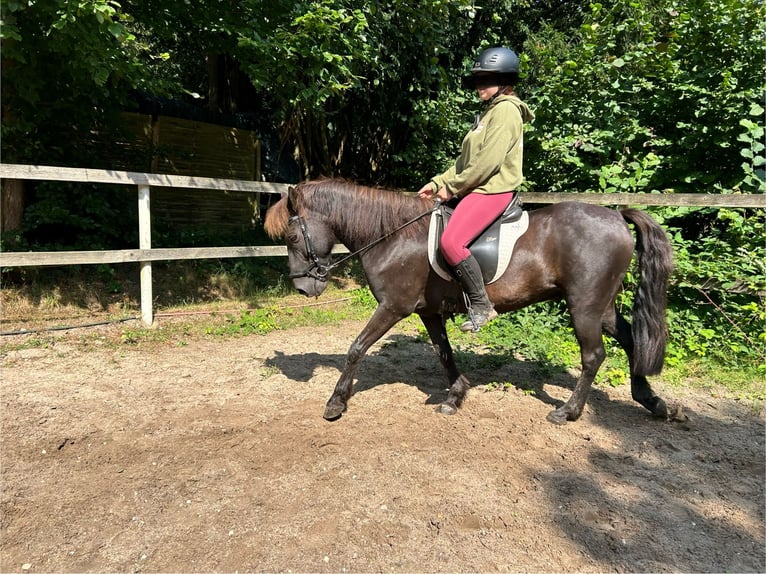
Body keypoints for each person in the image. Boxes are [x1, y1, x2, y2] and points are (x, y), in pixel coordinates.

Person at [418, 46, 535, 332]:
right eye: (478, 80)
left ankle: (481, 305)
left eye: (486, 79)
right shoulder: (488, 114)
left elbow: (487, 164)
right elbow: (465, 162)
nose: (479, 86)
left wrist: (453, 188)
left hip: (492, 190)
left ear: (505, 81)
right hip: (477, 188)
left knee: (451, 243)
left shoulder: (506, 112)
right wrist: (437, 183)